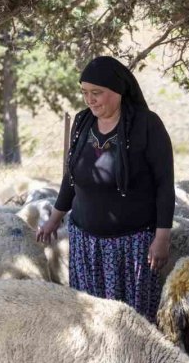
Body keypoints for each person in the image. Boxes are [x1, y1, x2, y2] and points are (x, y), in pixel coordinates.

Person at [36, 55, 174, 324]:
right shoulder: (82, 122)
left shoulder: (147, 125)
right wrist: (54, 219)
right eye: (85, 93)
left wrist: (162, 237)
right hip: (86, 244)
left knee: (133, 323)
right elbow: (71, 176)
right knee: (92, 320)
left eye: (97, 93)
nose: (90, 100)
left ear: (118, 90)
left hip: (133, 246)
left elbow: (164, 185)